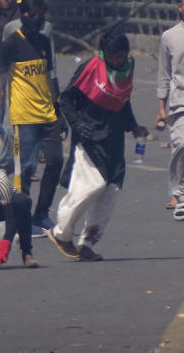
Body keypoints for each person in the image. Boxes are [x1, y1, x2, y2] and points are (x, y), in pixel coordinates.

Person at [49, 28, 148, 261]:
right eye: (112, 56)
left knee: (112, 188)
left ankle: (87, 242)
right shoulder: (91, 67)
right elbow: (66, 99)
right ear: (104, 54)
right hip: (90, 134)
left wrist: (133, 126)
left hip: (113, 135)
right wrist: (77, 124)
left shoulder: (128, 68)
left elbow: (123, 101)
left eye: (121, 55)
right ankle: (61, 232)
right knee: (92, 185)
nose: (116, 61)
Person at [0, 0, 62, 236]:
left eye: (43, 15)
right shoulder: (12, 42)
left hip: (48, 114)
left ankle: (41, 214)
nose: (40, 20)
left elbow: (50, 76)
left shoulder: (43, 41)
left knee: (55, 162)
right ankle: (23, 220)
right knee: (24, 171)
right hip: (23, 117)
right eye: (35, 15)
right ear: (24, 15)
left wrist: (58, 110)